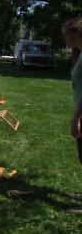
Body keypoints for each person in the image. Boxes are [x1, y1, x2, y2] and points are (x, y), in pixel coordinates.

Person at [62, 16, 82, 214]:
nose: (64, 39)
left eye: (66, 34)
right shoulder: (80, 53)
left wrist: (77, 118)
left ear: (76, 33)